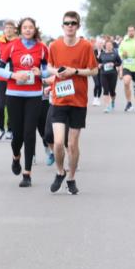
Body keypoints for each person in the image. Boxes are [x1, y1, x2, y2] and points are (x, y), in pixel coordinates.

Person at [45, 11, 98, 195]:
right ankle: (60, 171)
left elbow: (93, 71)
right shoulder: (54, 45)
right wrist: (56, 72)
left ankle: (71, 177)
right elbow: (49, 66)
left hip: (78, 100)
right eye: (66, 23)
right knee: (58, 142)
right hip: (59, 99)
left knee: (73, 144)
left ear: (77, 26)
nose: (70, 26)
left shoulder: (85, 46)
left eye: (73, 23)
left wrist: (73, 71)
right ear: (62, 26)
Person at [0, 17, 50, 187]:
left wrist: (40, 73)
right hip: (14, 94)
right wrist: (13, 75)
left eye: (30, 27)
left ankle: (27, 174)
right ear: (20, 30)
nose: (27, 30)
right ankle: (16, 156)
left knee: (29, 133)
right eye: (25, 27)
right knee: (17, 135)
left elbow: (48, 70)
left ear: (35, 29)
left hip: (34, 95)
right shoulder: (11, 47)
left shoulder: (42, 48)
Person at [0, 20, 17, 141]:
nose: (9, 29)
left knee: (11, 107)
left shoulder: (18, 43)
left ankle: (10, 129)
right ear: (4, 30)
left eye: (11, 27)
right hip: (0, 79)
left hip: (13, 79)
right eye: (7, 27)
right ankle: (0, 128)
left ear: (15, 30)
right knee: (0, 106)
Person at [98, 39, 123, 112]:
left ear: (112, 46)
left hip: (113, 74)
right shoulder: (102, 54)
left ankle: (112, 101)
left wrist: (114, 64)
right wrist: (99, 65)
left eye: (110, 45)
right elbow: (98, 62)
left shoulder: (115, 54)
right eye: (107, 45)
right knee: (105, 90)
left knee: (112, 91)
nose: (108, 46)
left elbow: (120, 62)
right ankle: (107, 107)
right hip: (103, 74)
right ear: (105, 46)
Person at [91, 34, 105, 105]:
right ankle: (95, 98)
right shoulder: (93, 52)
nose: (99, 45)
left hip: (102, 71)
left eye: (101, 43)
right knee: (96, 84)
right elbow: (91, 61)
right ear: (96, 44)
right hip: (94, 70)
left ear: (102, 44)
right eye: (98, 43)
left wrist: (102, 64)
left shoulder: (104, 52)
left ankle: (98, 98)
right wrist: (97, 64)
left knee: (100, 85)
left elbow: (106, 60)